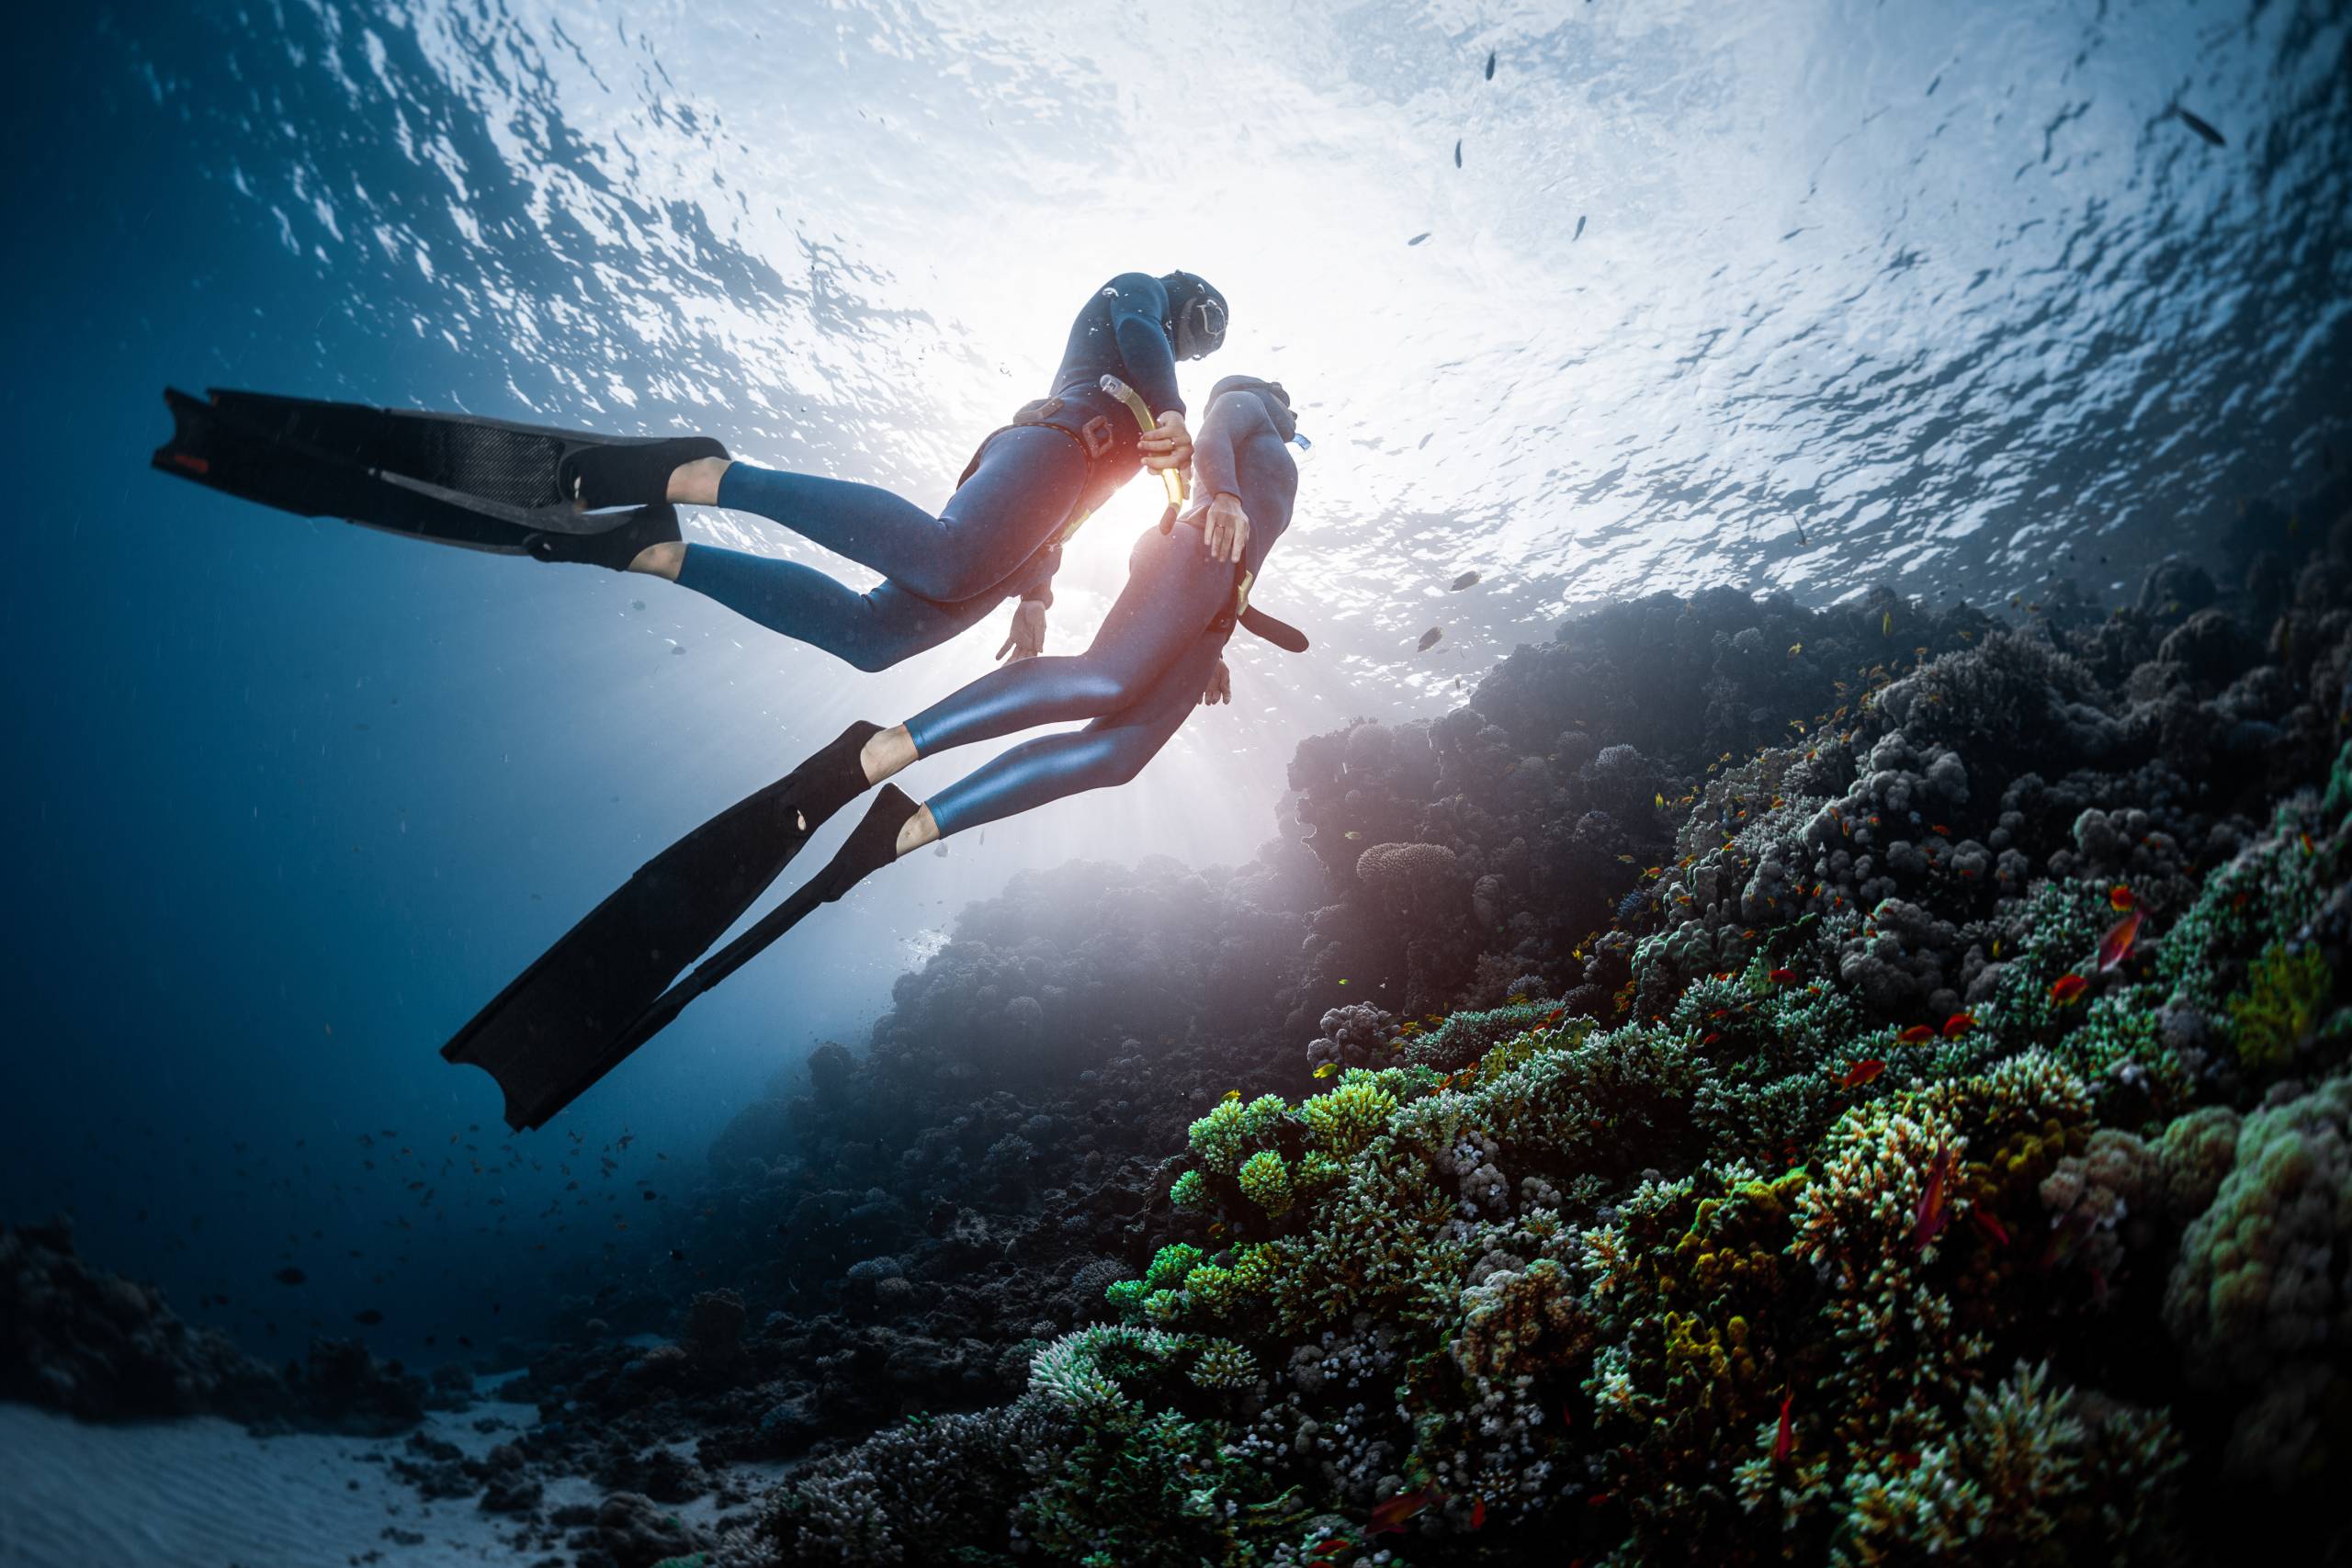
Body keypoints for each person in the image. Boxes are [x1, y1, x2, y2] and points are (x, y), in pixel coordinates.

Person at [439, 375, 1305, 1130]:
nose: (1292, 413)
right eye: (1287, 401)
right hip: (1195, 547)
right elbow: (1224, 414)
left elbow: (1240, 530)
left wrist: (1213, 632)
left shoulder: (1275, 462)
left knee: (1121, 755)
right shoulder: (1249, 402)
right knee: (1101, 681)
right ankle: (892, 748)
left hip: (1217, 605)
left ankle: (912, 826)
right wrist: (1220, 489)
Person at [155, 271, 1229, 671]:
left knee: (870, 640)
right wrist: (1174, 409)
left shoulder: (1158, 386)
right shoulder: (1133, 305)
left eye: (1205, 342)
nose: (1194, 339)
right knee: (943, 557)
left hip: (1041, 522)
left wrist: (1038, 597)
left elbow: (1079, 518)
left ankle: (658, 552)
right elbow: (1137, 333)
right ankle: (704, 473)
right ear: (1178, 296)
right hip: (1042, 450)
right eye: (1200, 321)